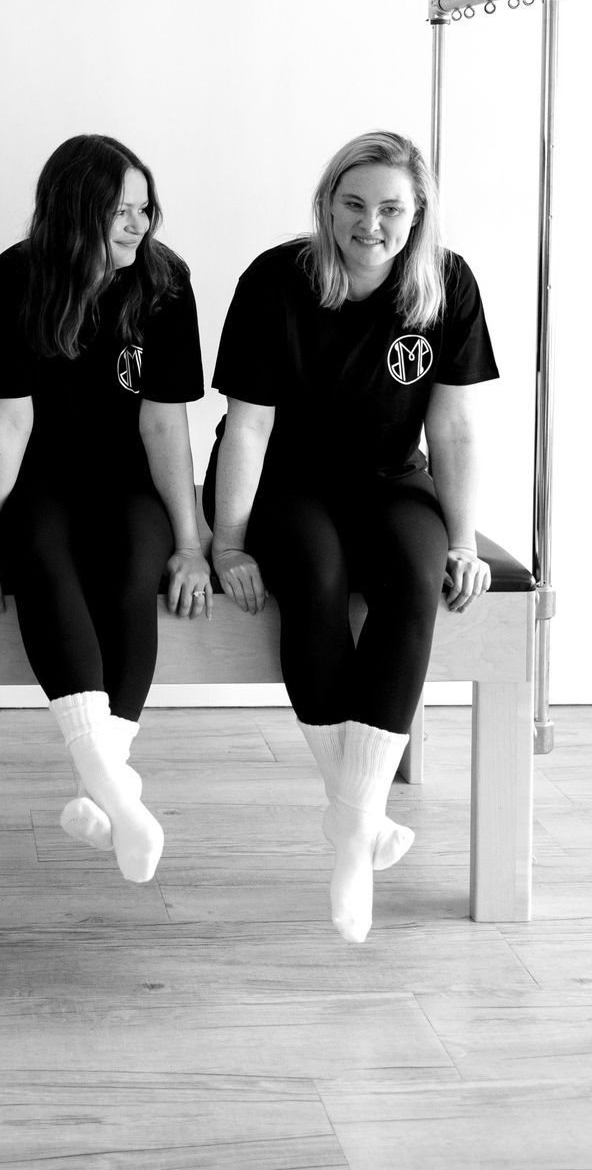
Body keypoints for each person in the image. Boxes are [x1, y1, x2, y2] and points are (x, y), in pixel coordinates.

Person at [204, 129, 496, 943]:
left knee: (412, 578)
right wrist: (228, 543)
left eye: (392, 208)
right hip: (284, 483)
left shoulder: (446, 283)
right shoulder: (276, 278)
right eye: (355, 204)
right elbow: (248, 429)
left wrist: (465, 540)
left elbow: (456, 425)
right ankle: (358, 826)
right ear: (328, 205)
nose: (372, 224)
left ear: (418, 213)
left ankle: (350, 827)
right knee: (319, 578)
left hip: (389, 481)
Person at [0, 134, 207, 886]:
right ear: (75, 213)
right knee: (43, 559)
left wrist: (191, 542)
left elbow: (164, 424)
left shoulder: (164, 282)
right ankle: (117, 797)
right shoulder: (17, 277)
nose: (138, 225)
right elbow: (7, 422)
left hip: (126, 480)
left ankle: (106, 786)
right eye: (120, 212)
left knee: (136, 565)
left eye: (144, 208)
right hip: (39, 476)